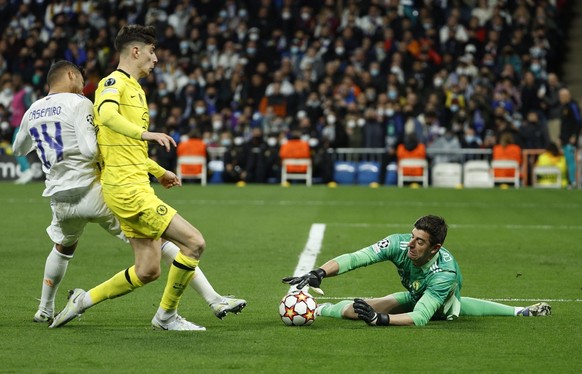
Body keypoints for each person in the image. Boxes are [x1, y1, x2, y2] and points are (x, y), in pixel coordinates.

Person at [12, 60, 245, 326]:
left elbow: (19, 149)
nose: (83, 86)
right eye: (81, 79)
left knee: (63, 248)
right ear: (69, 75)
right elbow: (90, 150)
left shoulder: (32, 110)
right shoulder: (80, 104)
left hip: (59, 198)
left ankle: (45, 309)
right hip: (94, 192)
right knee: (160, 239)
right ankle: (212, 299)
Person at [283, 215, 551, 326]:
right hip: (414, 293)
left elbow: (421, 316)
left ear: (434, 248)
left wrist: (382, 320)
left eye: (419, 242)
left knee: (443, 309)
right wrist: (320, 272)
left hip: (439, 297)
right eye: (412, 236)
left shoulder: (444, 274)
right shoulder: (400, 243)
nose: (410, 244)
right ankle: (316, 309)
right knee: (360, 308)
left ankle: (519, 311)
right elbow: (357, 257)